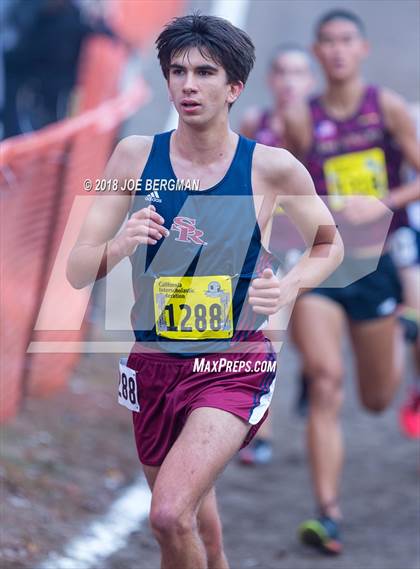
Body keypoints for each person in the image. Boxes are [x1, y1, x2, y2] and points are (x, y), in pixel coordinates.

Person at [67, 14, 343, 569]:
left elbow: (329, 245)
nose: (188, 85)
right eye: (177, 71)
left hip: (232, 366)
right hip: (152, 367)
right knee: (199, 536)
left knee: (169, 514)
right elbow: (76, 269)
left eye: (204, 72)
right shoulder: (133, 157)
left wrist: (288, 287)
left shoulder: (271, 169)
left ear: (234, 87)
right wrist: (121, 243)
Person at [283, 9, 420, 555]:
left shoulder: (385, 108)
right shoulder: (300, 118)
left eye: (346, 41)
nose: (337, 50)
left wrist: (385, 201)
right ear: (317, 53)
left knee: (374, 398)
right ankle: (328, 513)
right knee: (324, 378)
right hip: (324, 261)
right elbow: (283, 190)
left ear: (362, 49)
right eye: (328, 42)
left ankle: (404, 353)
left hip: (377, 264)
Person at [238, 44, 314, 465]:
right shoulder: (256, 121)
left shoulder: (319, 126)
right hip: (270, 244)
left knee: (302, 335)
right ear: (270, 79)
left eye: (298, 72)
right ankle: (260, 432)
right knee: (269, 334)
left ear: (311, 81)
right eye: (282, 72)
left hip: (313, 241)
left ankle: (309, 373)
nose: (289, 81)